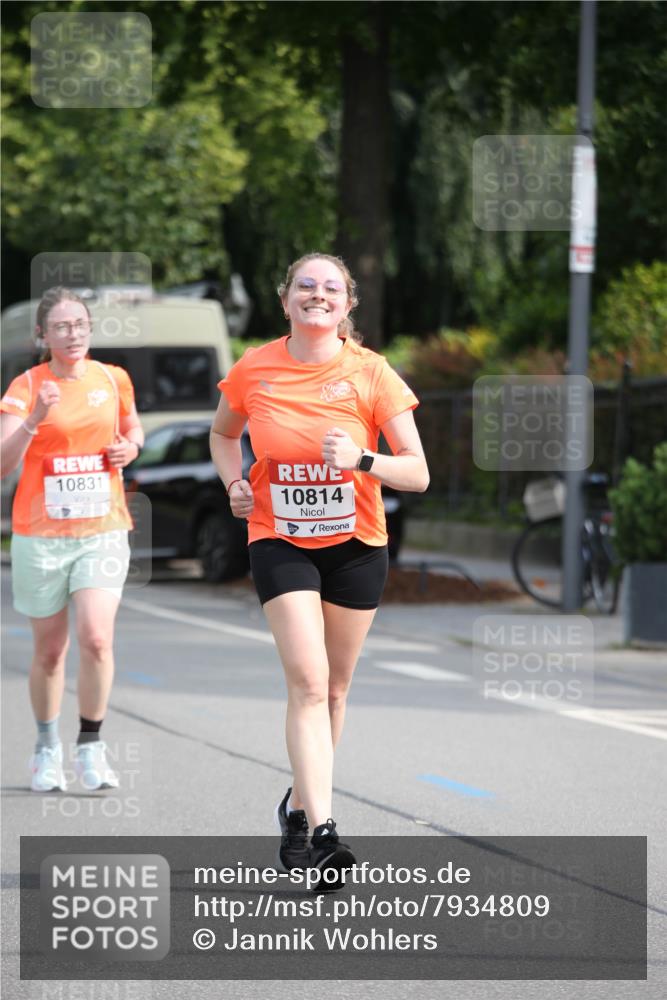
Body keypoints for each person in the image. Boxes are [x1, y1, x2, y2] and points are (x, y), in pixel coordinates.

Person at [210, 253, 429, 885]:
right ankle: (328, 833)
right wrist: (233, 484)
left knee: (334, 689)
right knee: (308, 681)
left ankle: (300, 810)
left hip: (357, 543)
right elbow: (223, 436)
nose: (317, 295)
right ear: (285, 301)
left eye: (331, 287)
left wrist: (363, 458)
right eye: (305, 286)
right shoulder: (255, 367)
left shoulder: (371, 373)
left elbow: (416, 473)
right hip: (279, 537)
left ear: (347, 304)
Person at [1, 286, 144, 793]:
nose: (72, 334)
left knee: (97, 638)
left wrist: (129, 448)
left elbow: (134, 431)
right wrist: (35, 418)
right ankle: (45, 748)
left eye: (79, 325)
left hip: (102, 529)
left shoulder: (113, 378)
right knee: (50, 653)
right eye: (61, 327)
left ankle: (90, 745)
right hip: (40, 534)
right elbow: (2, 464)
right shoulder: (26, 385)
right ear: (43, 334)